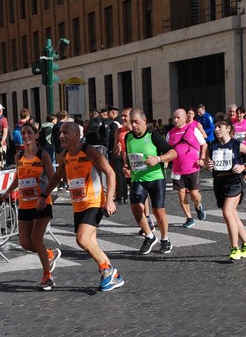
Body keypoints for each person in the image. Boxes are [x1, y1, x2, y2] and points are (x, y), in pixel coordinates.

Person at [37, 121, 125, 292]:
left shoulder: (89, 151)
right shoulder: (64, 155)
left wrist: (109, 200)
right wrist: (43, 195)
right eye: (60, 133)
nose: (61, 136)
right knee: (90, 243)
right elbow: (56, 177)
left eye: (65, 133)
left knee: (82, 239)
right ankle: (113, 276)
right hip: (78, 205)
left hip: (94, 202)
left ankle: (108, 270)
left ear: (77, 135)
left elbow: (110, 172)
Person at [0, 123, 60, 290]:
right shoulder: (18, 156)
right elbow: (18, 179)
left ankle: (47, 276)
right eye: (23, 133)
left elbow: (54, 178)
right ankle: (49, 254)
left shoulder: (43, 155)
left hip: (42, 204)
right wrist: (7, 192)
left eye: (29, 132)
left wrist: (44, 195)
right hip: (25, 204)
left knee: (36, 238)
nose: (26, 135)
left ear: (36, 135)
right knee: (25, 243)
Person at [125, 108, 177, 255]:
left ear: (143, 120)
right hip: (138, 179)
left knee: (158, 211)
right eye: (131, 122)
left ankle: (165, 239)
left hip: (155, 178)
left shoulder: (153, 135)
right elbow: (130, 157)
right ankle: (149, 236)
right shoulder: (128, 137)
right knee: (135, 207)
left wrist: (159, 159)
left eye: (136, 122)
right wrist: (127, 167)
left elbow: (173, 152)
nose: (133, 125)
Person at [205, 115, 246, 261]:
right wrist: (207, 165)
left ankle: (235, 248)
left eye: (219, 127)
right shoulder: (211, 146)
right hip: (219, 182)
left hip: (234, 181)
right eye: (215, 127)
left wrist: (243, 166)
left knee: (228, 212)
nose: (216, 130)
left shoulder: (237, 144)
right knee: (232, 215)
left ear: (228, 129)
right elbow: (206, 163)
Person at [166, 108, 207, 228]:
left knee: (194, 194)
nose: (175, 120)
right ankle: (189, 218)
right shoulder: (170, 133)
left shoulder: (193, 129)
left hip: (192, 168)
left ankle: (198, 206)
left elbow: (203, 144)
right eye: (174, 117)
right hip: (177, 170)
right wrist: (166, 161)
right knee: (181, 194)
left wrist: (202, 158)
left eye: (178, 117)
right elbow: (167, 150)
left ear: (185, 118)